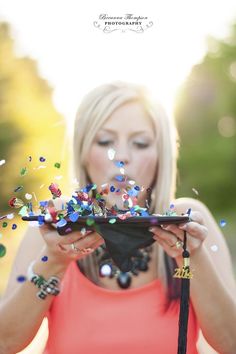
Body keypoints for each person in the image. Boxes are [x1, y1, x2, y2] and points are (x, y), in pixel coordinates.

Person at [0, 81, 236, 354]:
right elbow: (6, 343)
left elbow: (230, 343)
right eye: (105, 141)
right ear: (84, 153)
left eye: (140, 143)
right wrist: (54, 261)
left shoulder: (190, 222)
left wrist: (193, 257)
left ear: (161, 155)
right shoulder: (52, 233)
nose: (122, 157)